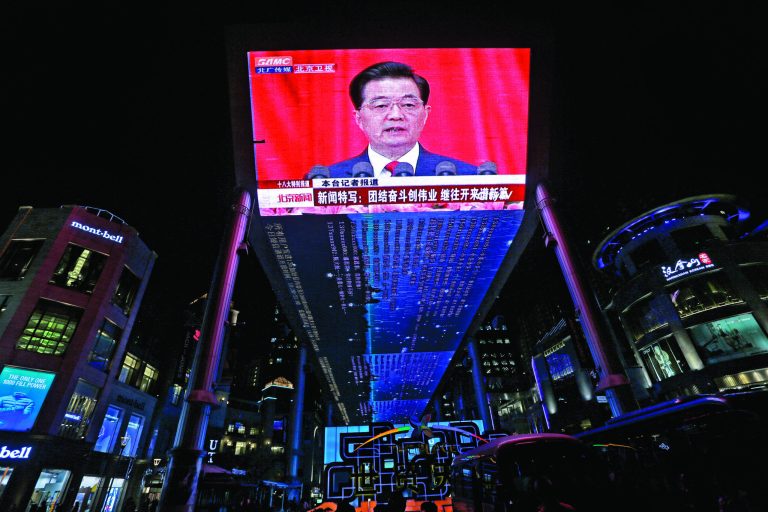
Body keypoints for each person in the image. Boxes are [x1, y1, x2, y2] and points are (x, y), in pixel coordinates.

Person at [328, 61, 478, 179]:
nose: (395, 115)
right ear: (359, 118)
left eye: (408, 105)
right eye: (381, 105)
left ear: (425, 115)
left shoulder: (466, 177)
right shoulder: (327, 180)